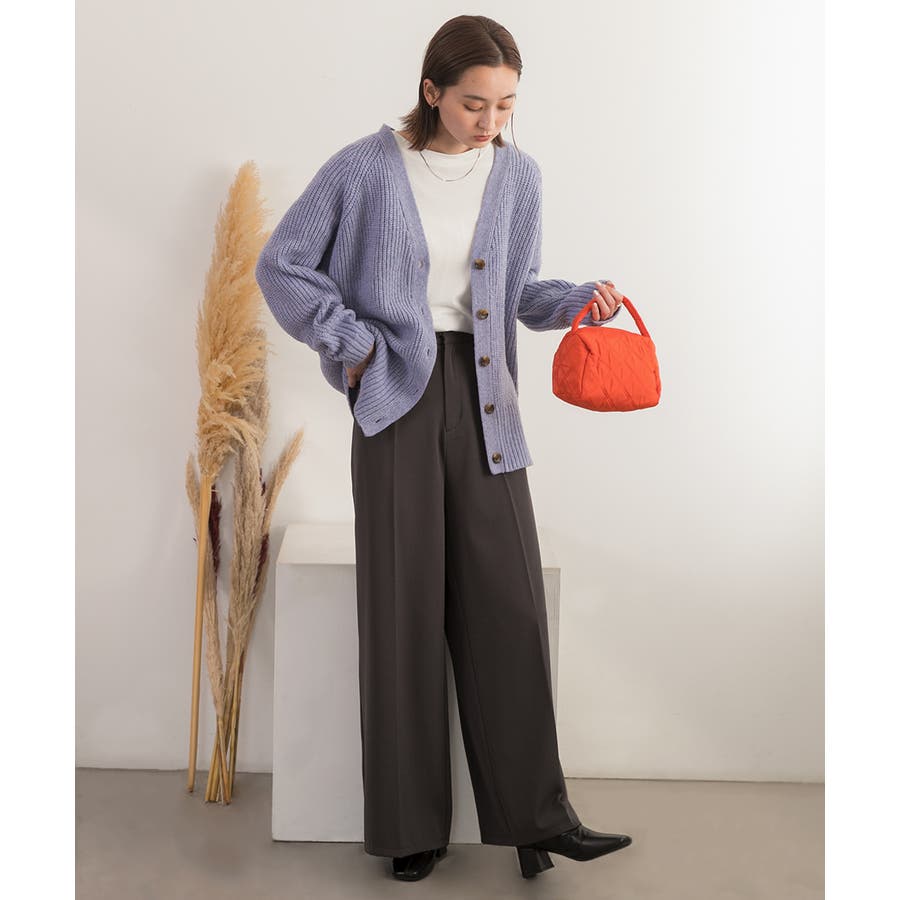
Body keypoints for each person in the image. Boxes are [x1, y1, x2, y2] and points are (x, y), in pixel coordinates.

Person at [255, 13, 634, 884]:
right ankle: (409, 829)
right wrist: (351, 345)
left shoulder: (518, 175)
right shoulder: (364, 167)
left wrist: (577, 301)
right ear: (431, 90)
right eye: (473, 103)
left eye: (506, 105)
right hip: (396, 392)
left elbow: (518, 288)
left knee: (509, 603)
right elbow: (283, 264)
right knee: (403, 607)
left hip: (485, 391)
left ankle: (538, 819)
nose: (490, 121)